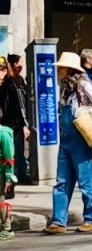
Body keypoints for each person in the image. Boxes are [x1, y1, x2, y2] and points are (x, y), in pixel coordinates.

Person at [44, 52, 92, 234]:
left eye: (61, 67)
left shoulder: (84, 85)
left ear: (68, 69)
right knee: (61, 182)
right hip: (66, 140)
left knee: (85, 181)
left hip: (80, 140)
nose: (58, 70)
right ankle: (58, 221)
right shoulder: (64, 88)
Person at [0, 55, 29, 186]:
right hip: (6, 124)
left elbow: (18, 105)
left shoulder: (11, 83)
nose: (2, 72)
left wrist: (24, 124)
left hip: (12, 125)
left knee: (13, 152)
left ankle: (15, 175)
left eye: (4, 69)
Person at [0, 100, 14, 242]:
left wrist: (9, 177)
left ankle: (7, 228)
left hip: (1, 173)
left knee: (1, 201)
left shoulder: (4, 134)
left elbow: (9, 157)